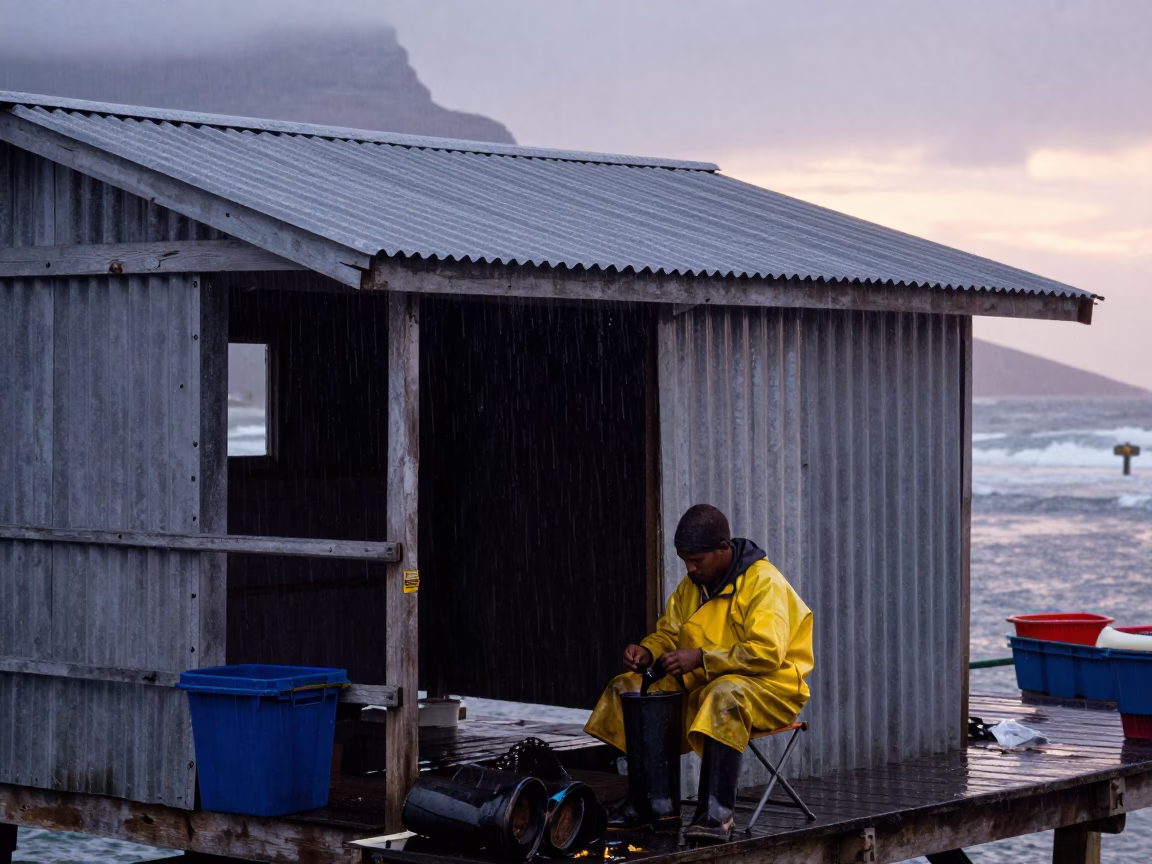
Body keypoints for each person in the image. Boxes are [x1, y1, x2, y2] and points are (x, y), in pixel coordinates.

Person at [584, 503, 814, 844]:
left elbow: (767, 653)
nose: (690, 569)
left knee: (723, 694)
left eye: (697, 561)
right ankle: (651, 806)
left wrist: (702, 658)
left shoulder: (765, 584)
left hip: (771, 687)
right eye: (685, 561)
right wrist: (649, 651)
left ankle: (715, 813)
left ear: (724, 549)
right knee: (627, 686)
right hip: (709, 681)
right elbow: (670, 634)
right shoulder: (692, 586)